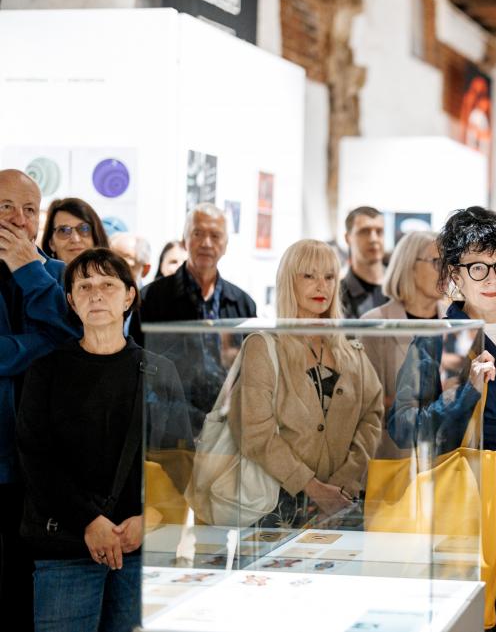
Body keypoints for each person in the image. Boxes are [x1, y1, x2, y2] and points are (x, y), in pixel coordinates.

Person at [388, 206, 496, 632]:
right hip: (467, 501)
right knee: (473, 621)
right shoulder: (440, 340)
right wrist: (467, 395)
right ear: (455, 276)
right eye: (478, 267)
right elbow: (403, 425)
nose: (493, 278)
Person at [17, 248, 186, 632]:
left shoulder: (160, 371)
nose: (96, 294)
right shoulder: (46, 371)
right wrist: (89, 521)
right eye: (85, 285)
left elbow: (180, 460)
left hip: (138, 547)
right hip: (65, 549)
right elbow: (35, 458)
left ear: (129, 295)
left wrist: (152, 518)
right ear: (71, 300)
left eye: (108, 284)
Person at [229, 239, 384, 528]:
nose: (321, 286)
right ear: (289, 281)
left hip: (343, 504)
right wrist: (314, 489)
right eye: (309, 276)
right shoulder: (264, 346)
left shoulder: (350, 348)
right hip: (277, 507)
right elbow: (255, 433)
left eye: (328, 277)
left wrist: (342, 485)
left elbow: (372, 416)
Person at [0, 170, 79, 631]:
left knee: (31, 592)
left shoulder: (57, 276)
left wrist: (30, 272)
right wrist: (42, 343)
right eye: (6, 207)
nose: (18, 219)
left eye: (30, 210)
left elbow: (80, 338)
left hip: (45, 465)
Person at [140, 203, 256, 434]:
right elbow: (141, 365)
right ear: (184, 240)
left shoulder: (243, 303)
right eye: (198, 233)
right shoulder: (152, 298)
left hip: (228, 426)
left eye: (215, 235)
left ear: (225, 245)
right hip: (169, 426)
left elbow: (251, 372)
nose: (206, 243)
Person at [361, 231, 444, 458]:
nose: (446, 270)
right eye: (437, 262)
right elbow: (365, 402)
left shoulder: (456, 322)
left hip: (447, 458)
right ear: (409, 265)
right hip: (395, 458)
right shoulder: (374, 324)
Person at [339, 206, 387, 318]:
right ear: (348, 238)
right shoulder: (337, 295)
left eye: (379, 231)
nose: (373, 239)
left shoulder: (402, 288)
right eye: (364, 231)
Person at [39, 198, 110, 265]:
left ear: (96, 236)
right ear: (51, 243)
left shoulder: (118, 276)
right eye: (63, 231)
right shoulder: (36, 277)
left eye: (84, 229)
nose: (76, 239)